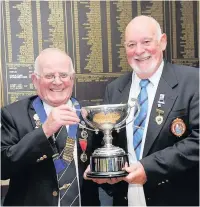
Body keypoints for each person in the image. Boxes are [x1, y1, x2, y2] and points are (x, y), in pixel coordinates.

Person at [84, 15, 199, 206]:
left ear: (162, 42)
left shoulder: (193, 81)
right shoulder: (115, 89)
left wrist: (150, 168)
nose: (139, 51)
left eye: (146, 42)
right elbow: (103, 141)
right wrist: (105, 172)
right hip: (125, 199)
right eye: (131, 45)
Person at [1, 48, 100, 206]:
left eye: (63, 75)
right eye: (49, 76)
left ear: (72, 78)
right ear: (35, 80)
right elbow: (3, 167)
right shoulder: (13, 115)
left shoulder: (89, 116)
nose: (58, 81)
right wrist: (44, 131)